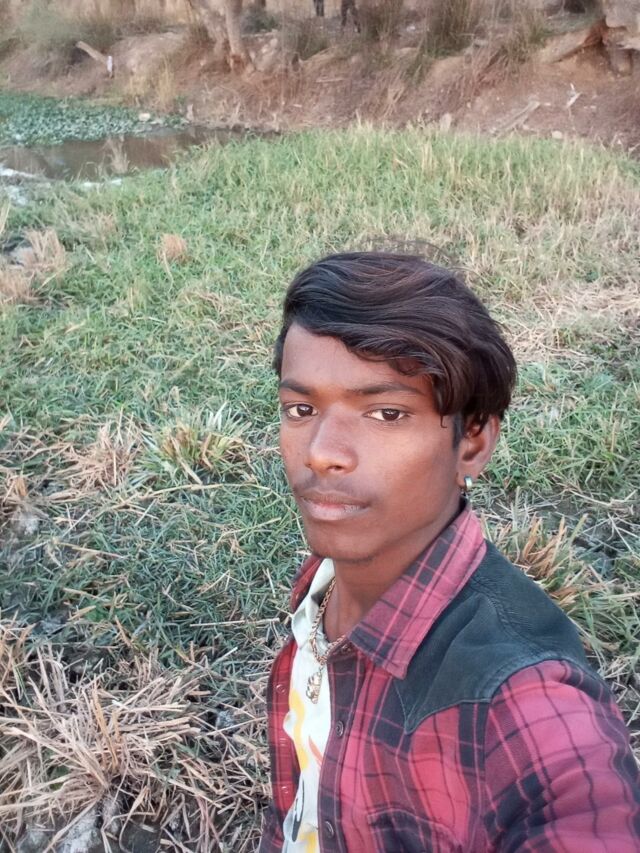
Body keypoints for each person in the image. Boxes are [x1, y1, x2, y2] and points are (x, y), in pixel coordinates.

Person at [259, 252, 640, 852]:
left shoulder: (518, 697)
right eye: (301, 410)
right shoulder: (325, 585)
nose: (321, 453)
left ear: (473, 442)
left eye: (386, 413)